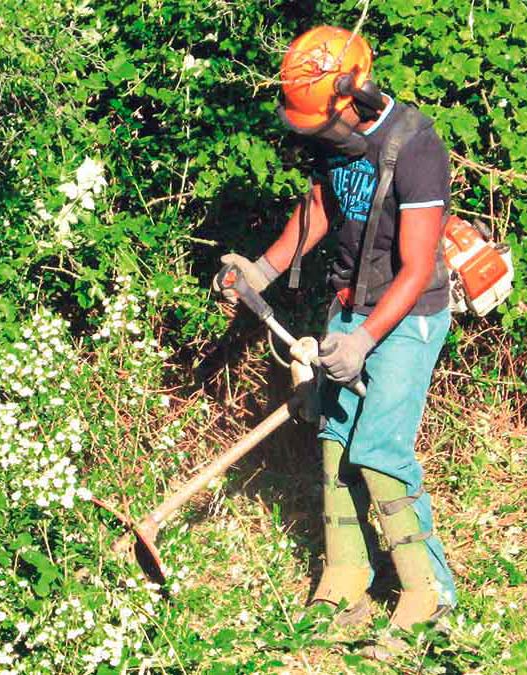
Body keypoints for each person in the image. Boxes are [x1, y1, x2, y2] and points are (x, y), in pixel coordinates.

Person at [212, 25, 457, 631]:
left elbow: (418, 265)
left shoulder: (415, 144)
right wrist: (261, 272)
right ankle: (347, 577)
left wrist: (366, 340)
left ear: (358, 93)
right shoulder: (334, 135)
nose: (317, 135)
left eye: (322, 122)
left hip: (408, 315)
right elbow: (320, 207)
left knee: (379, 451)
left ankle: (429, 595)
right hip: (348, 307)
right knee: (335, 447)